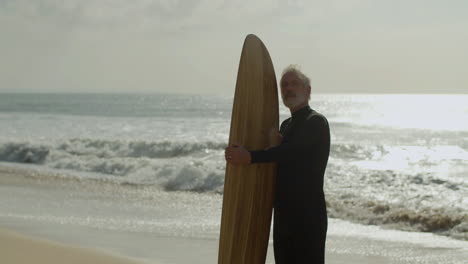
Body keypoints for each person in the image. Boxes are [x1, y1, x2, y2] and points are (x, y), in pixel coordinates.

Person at [224, 65, 330, 264]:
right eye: (284, 85)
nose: (288, 88)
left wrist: (249, 157)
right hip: (283, 216)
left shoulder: (315, 122)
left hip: (307, 216)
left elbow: (290, 153)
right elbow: (278, 161)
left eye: (294, 84)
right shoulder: (286, 126)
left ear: (307, 91)